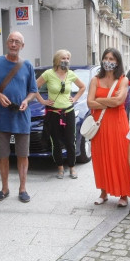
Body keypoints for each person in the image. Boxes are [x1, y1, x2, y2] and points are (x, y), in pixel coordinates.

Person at [0, 32, 39, 203]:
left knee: (23, 155)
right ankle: (4, 189)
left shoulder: (27, 65)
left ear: (22, 46)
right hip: (1, 117)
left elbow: (33, 91)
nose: (13, 44)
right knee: (3, 155)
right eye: (11, 41)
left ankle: (23, 189)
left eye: (17, 42)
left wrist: (26, 100)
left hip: (22, 116)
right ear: (7, 44)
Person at [88, 48, 130, 207]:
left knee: (121, 157)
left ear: (118, 62)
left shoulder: (123, 80)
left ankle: (123, 194)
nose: (108, 61)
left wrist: (99, 100)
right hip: (99, 124)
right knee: (100, 157)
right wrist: (108, 102)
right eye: (106, 58)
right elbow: (89, 102)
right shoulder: (95, 80)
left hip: (118, 123)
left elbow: (119, 102)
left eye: (112, 59)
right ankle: (103, 192)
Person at [36, 49, 86, 179]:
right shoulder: (48, 74)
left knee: (70, 141)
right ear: (57, 60)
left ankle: (72, 167)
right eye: (63, 58)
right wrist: (43, 101)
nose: (66, 61)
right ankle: (60, 168)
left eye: (68, 58)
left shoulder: (70, 74)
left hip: (68, 112)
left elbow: (82, 87)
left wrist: (75, 99)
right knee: (56, 142)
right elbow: (33, 87)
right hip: (53, 113)